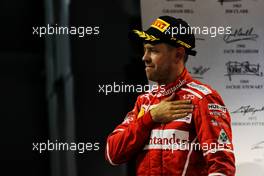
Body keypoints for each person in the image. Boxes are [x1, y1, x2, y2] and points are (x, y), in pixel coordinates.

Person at [105, 16, 236, 176]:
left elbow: (222, 168)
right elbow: (112, 154)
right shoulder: (144, 101)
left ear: (178, 55)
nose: (144, 57)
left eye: (153, 50)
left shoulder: (202, 98)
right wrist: (150, 118)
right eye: (145, 49)